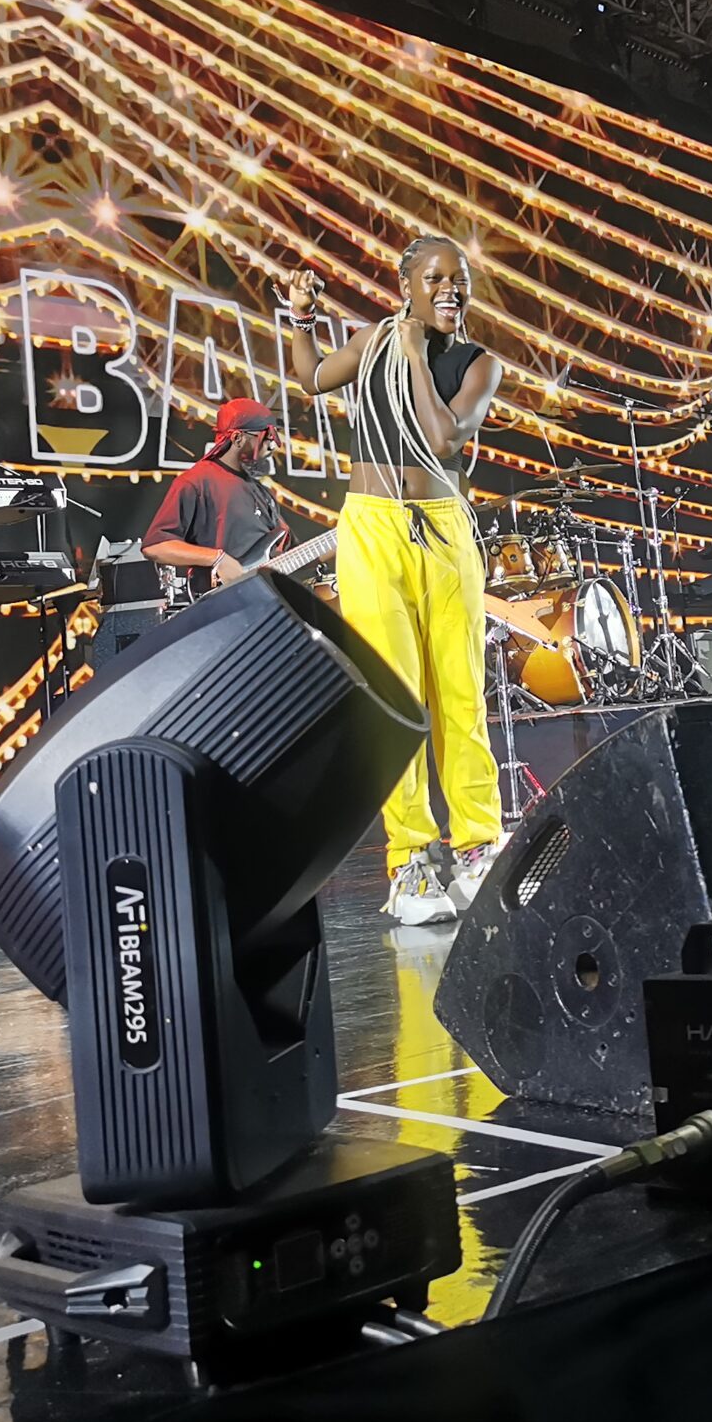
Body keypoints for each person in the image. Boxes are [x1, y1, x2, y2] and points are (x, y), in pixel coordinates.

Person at [283, 238, 504, 927]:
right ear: (405, 284)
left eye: (459, 279)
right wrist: (300, 320)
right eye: (434, 278)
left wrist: (414, 357)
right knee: (396, 700)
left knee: (460, 693)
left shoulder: (478, 363)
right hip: (373, 528)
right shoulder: (371, 341)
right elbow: (312, 378)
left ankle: (477, 844)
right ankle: (410, 860)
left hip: (442, 527)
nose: (450, 289)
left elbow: (443, 440)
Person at [142, 397, 285, 598]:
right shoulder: (196, 481)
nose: (272, 446)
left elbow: (288, 550)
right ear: (237, 438)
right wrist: (217, 558)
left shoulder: (262, 492)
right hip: (221, 602)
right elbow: (155, 546)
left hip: (260, 601)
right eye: (266, 438)